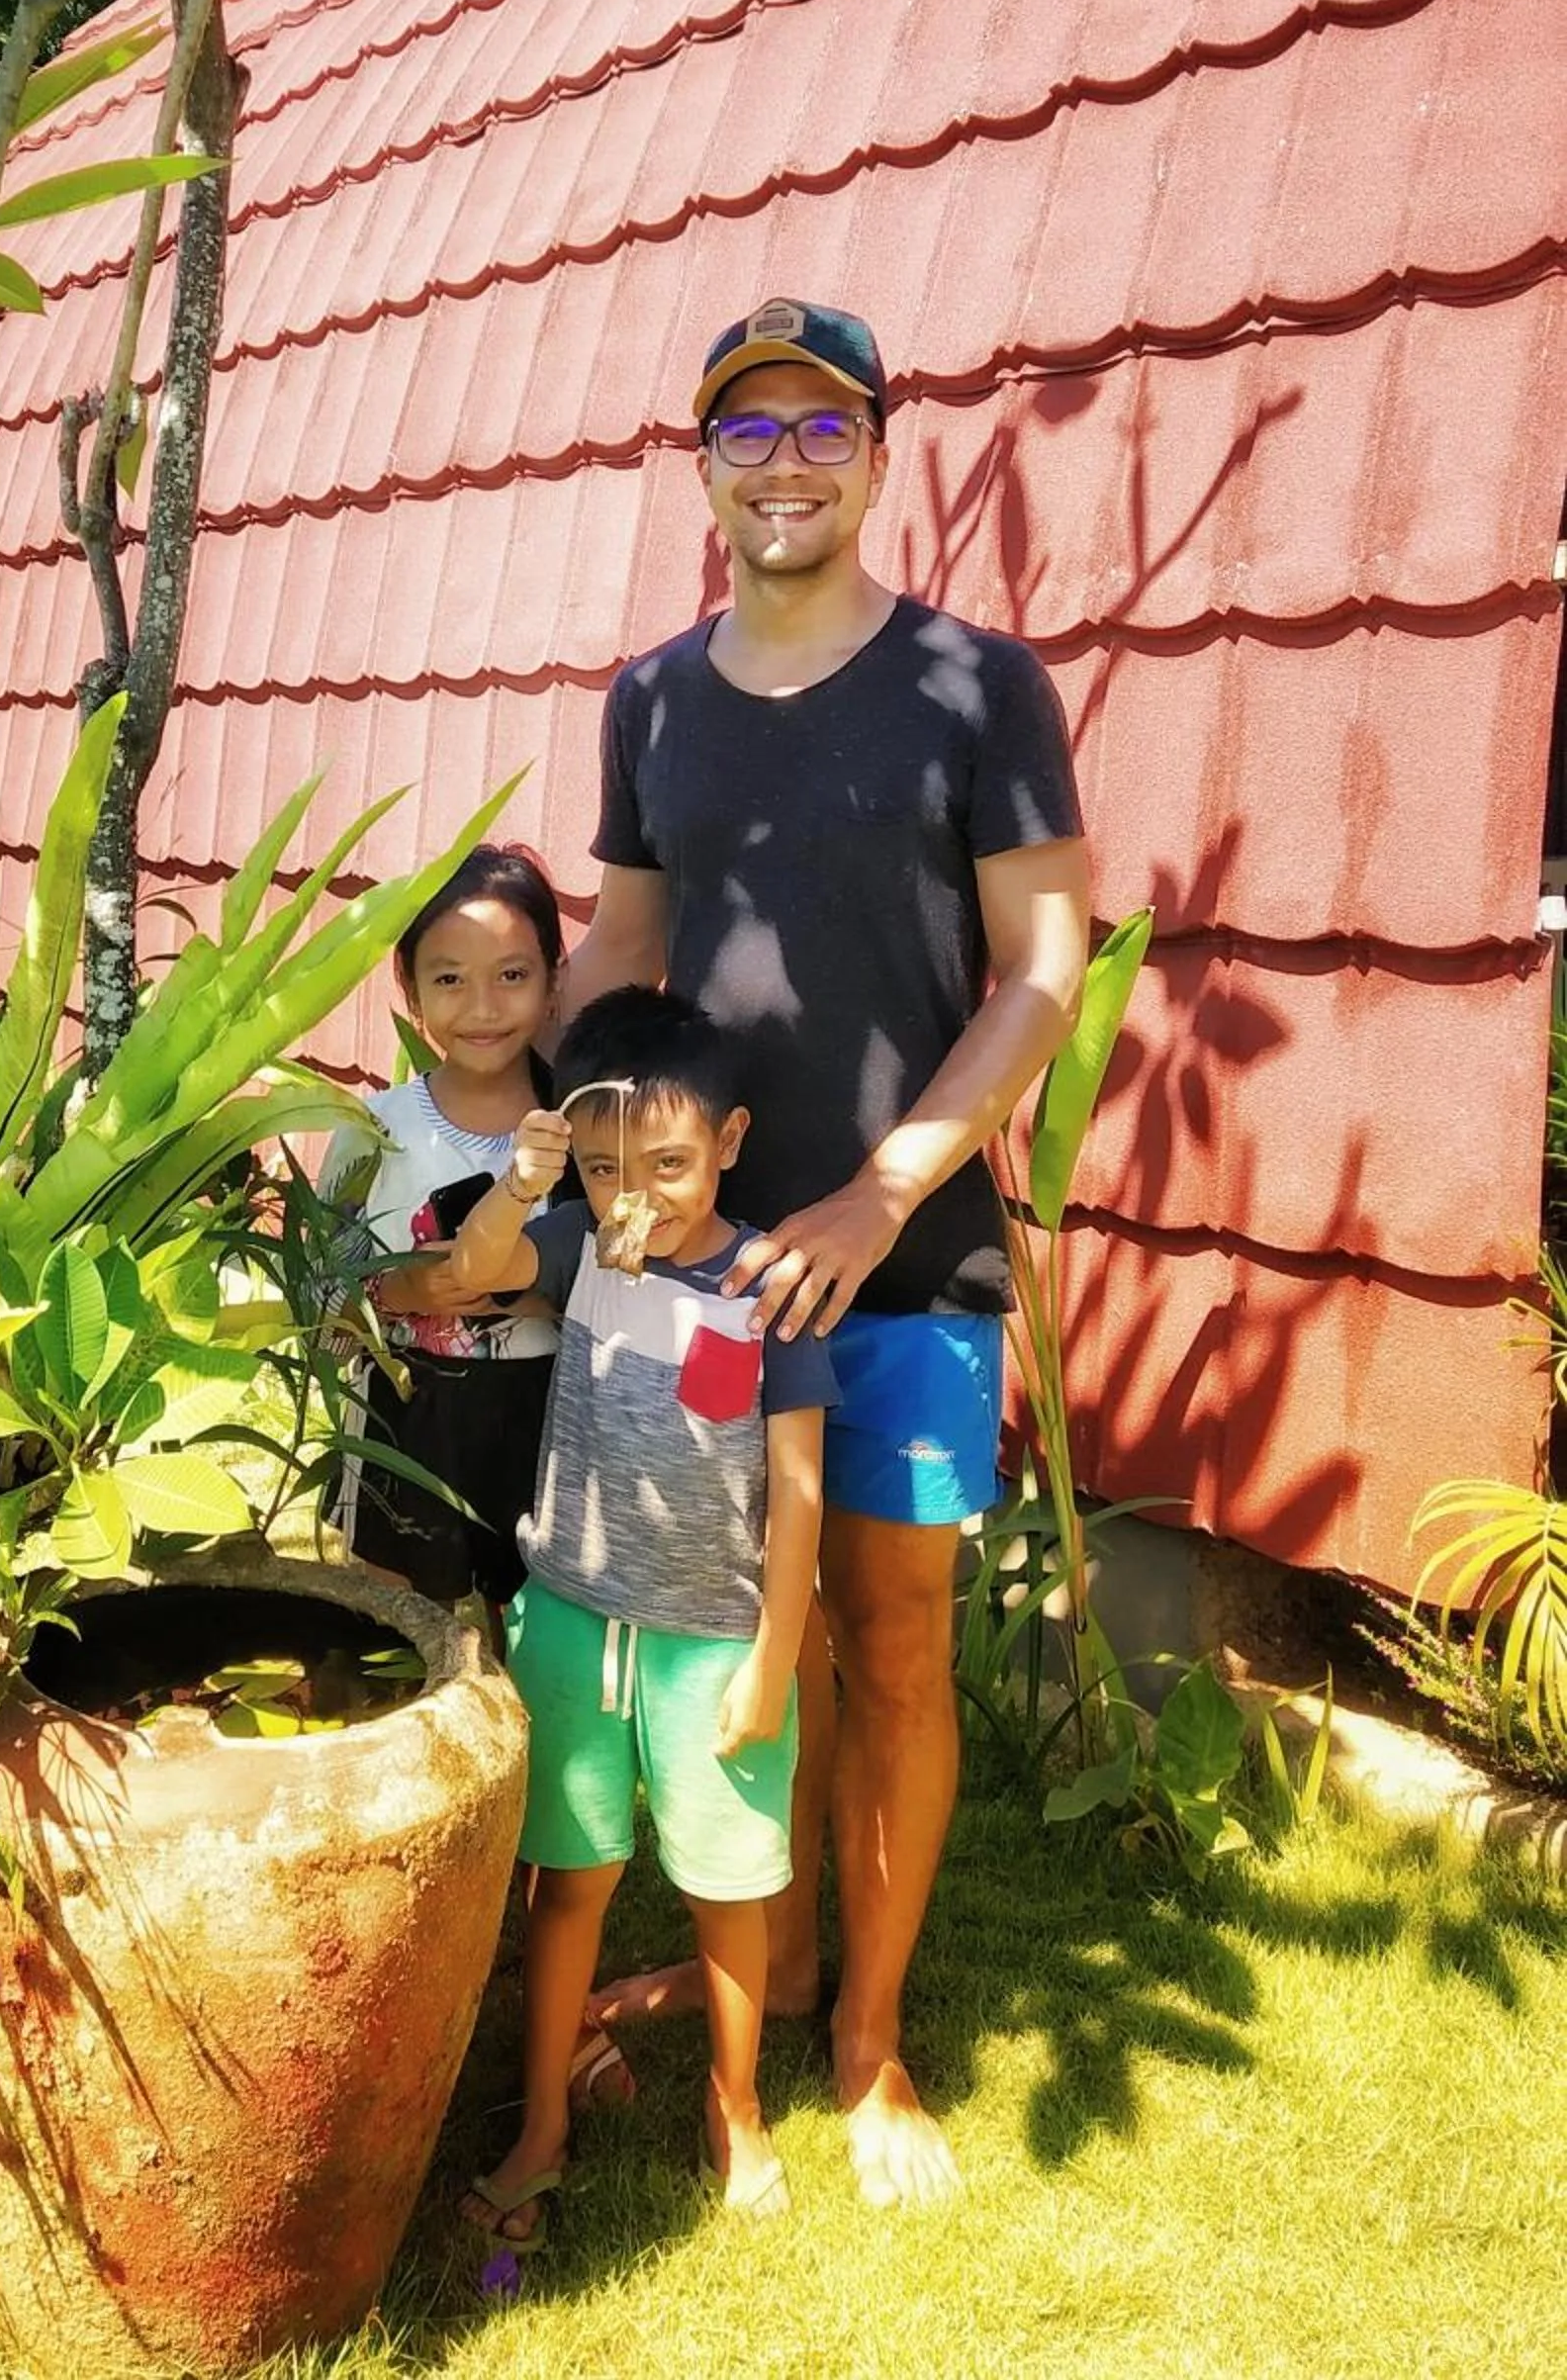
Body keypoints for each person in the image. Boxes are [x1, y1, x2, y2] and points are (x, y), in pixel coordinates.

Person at [558, 297, 1090, 2210]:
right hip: (698, 1278)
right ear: (704, 468)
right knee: (722, 1628)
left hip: (907, 1268)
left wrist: (881, 1194)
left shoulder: (976, 688)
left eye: (818, 428)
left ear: (876, 452)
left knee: (894, 1641)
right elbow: (626, 953)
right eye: (745, 431)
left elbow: (1041, 972)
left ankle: (868, 2041)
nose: (782, 463)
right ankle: (768, 1966)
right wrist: (521, 1136)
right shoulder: (650, 702)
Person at [444, 987, 833, 2241]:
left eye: (669, 1164)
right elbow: (476, 1270)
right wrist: (524, 1185)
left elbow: (800, 1488)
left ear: (729, 1139)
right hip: (571, 1619)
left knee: (727, 1888)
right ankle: (542, 2126)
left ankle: (738, 2108)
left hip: (713, 1641)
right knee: (569, 1882)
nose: (640, 1195)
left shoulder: (770, 1290)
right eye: (607, 1168)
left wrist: (773, 1659)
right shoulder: (576, 1242)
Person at [322, 845, 567, 1611]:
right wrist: (400, 1289)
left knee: (531, 1625)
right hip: (406, 1414)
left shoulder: (582, 1130)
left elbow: (629, 1273)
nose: (483, 1007)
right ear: (411, 989)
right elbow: (321, 1287)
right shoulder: (373, 1129)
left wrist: (528, 1292)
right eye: (450, 979)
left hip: (549, 1415)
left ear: (555, 980)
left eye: (513, 975)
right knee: (394, 1622)